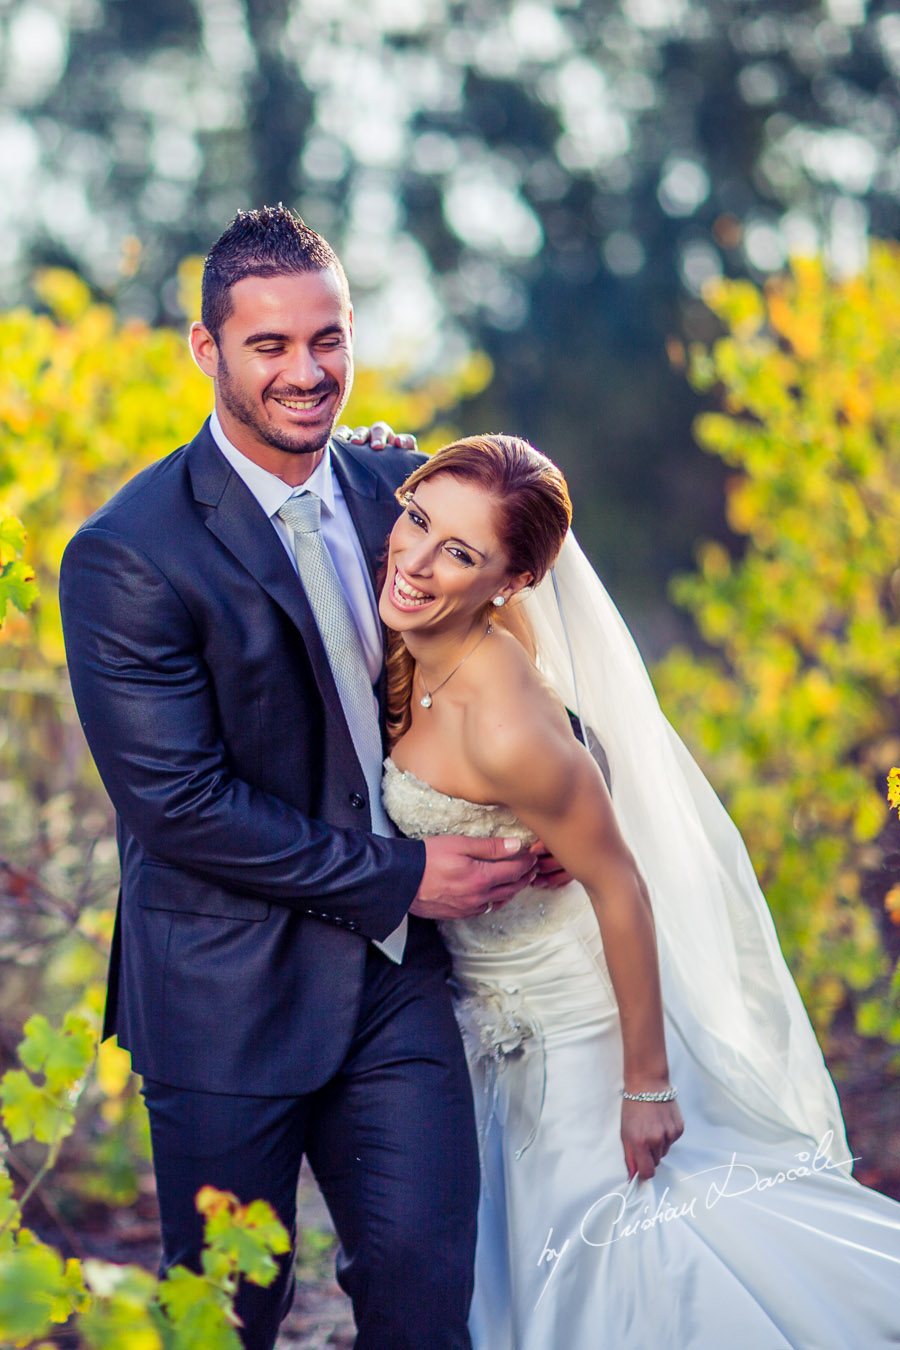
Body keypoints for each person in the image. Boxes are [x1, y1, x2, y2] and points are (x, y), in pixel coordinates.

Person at [58, 207, 543, 1350]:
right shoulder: (127, 554)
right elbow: (177, 806)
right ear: (205, 349)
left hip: (395, 985)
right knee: (231, 1316)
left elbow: (514, 668)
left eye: (328, 339)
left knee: (429, 1294)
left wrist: (561, 796)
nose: (306, 370)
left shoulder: (399, 498)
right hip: (224, 996)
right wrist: (402, 875)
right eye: (269, 344)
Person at [378, 433, 900, 1349]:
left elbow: (621, 887)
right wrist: (373, 445)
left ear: (509, 579)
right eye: (415, 519)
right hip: (482, 1019)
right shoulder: (429, 633)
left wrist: (647, 1088)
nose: (416, 560)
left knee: (619, 1253)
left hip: (577, 1026)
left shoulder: (510, 729)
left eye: (459, 552)